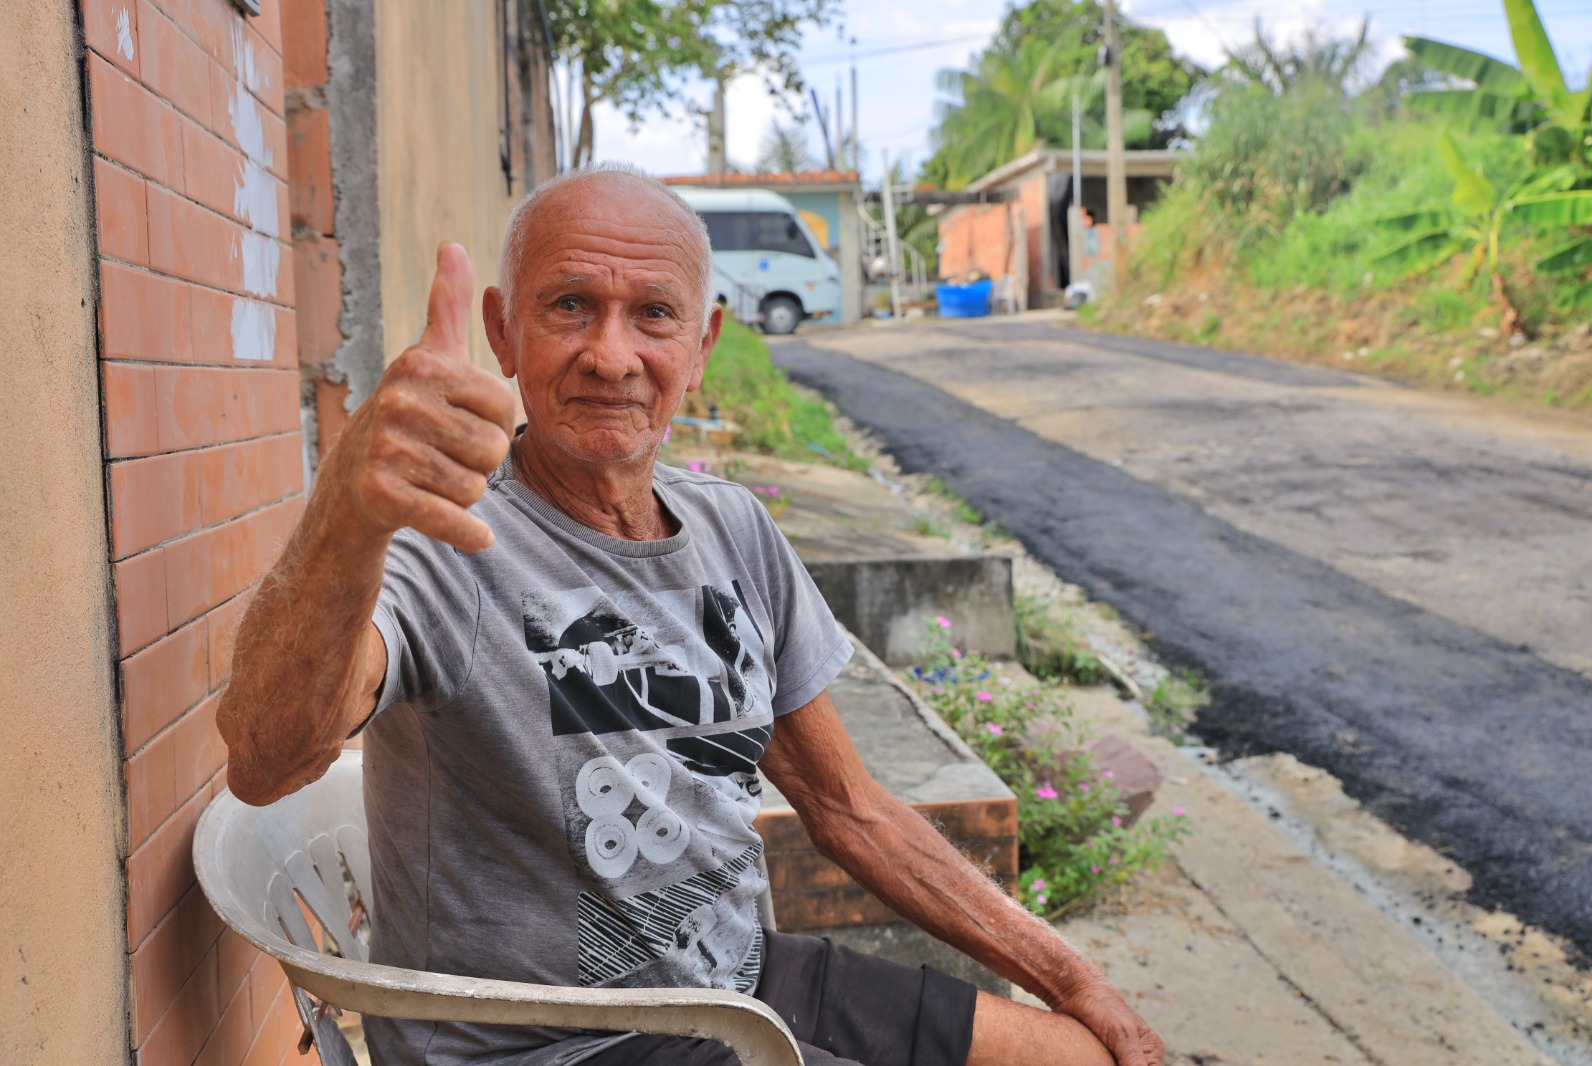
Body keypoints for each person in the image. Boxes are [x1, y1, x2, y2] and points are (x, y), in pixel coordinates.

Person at [216, 164, 1164, 1066]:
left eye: (653, 315)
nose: (611, 354)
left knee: (1080, 1053)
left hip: (734, 981)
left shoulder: (732, 528)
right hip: (551, 1041)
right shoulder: (449, 543)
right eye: (570, 306)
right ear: (504, 334)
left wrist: (1072, 978)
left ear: (701, 346)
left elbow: (849, 808)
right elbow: (266, 760)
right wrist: (349, 509)